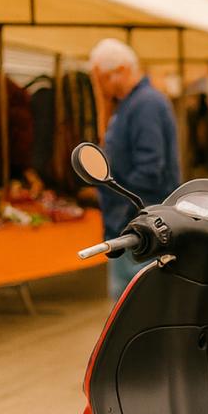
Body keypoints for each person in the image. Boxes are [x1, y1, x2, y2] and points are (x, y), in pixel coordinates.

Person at [88, 38, 180, 300]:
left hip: (139, 224)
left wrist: (120, 199)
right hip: (133, 221)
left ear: (122, 71)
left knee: (136, 305)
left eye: (103, 78)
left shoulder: (145, 105)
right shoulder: (134, 104)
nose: (101, 86)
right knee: (137, 304)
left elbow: (151, 168)